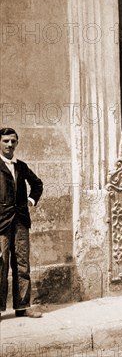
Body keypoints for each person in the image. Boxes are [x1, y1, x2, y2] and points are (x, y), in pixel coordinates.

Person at [0, 127, 43, 319]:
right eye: (6, 141)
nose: (10, 145)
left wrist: (31, 201)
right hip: (1, 223)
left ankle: (22, 306)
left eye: (13, 141)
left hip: (21, 222)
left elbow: (37, 184)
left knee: (22, 264)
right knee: (0, 264)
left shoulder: (21, 166)